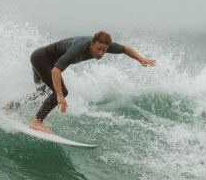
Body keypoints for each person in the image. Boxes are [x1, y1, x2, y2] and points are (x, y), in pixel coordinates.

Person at [9, 31, 156, 134]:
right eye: (98, 49)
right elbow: (56, 71)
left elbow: (125, 49)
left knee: (42, 93)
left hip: (42, 58)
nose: (100, 53)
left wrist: (141, 59)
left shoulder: (105, 46)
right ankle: (37, 122)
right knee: (61, 92)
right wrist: (60, 96)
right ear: (92, 44)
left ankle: (11, 106)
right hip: (41, 59)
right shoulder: (77, 50)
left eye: (104, 50)